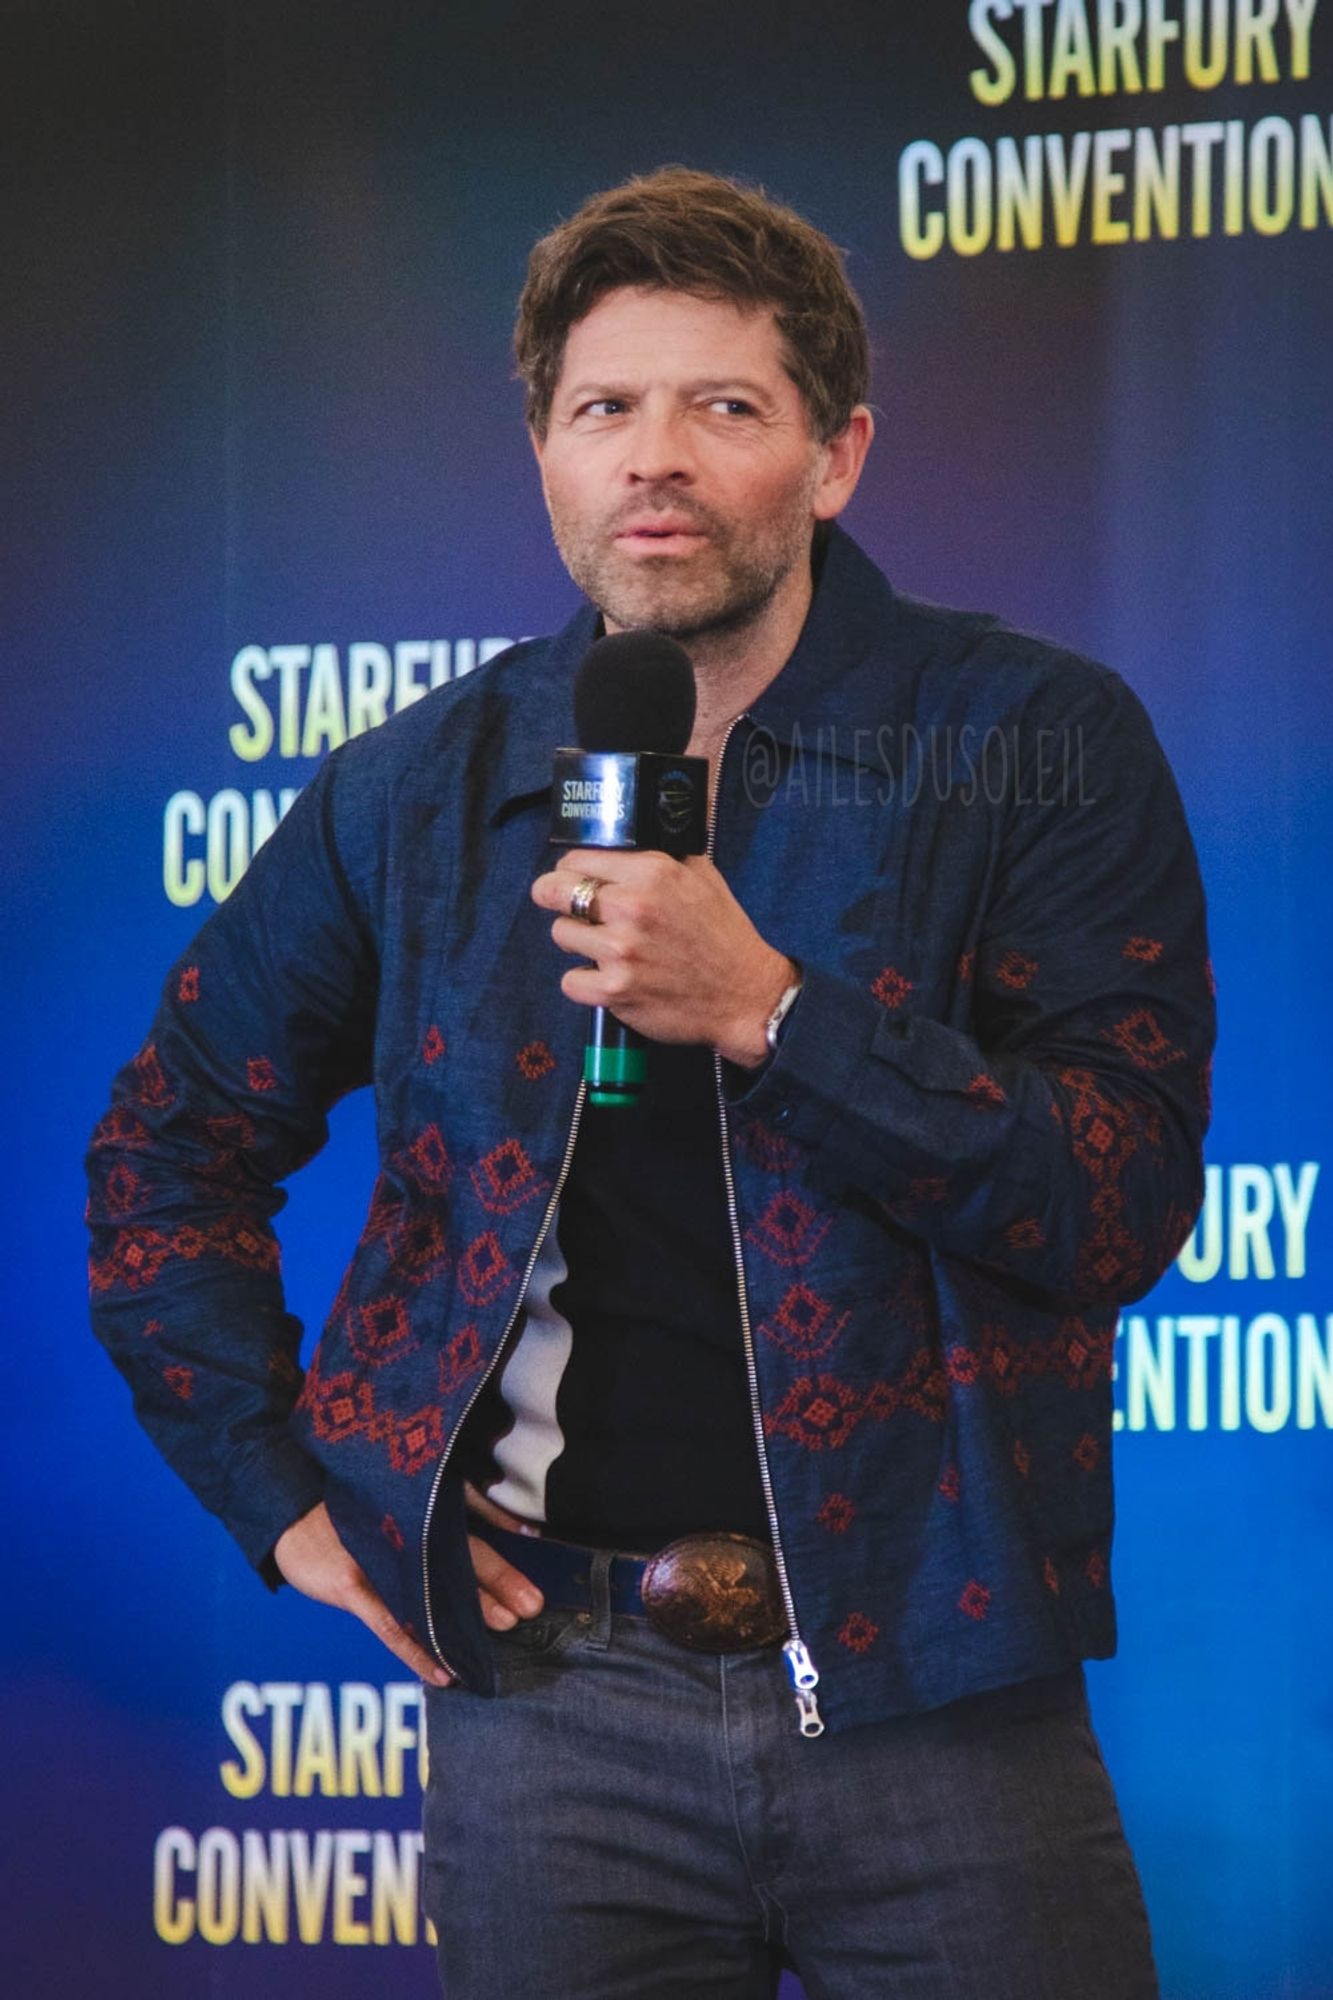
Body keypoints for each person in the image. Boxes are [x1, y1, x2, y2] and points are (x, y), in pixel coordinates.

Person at [87, 167, 1214, 1997]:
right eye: (604, 409)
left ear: (836, 457)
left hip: (939, 1688)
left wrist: (774, 1011)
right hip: (551, 1716)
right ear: (542, 454)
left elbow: (1119, 1193)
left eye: (725, 407)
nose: (654, 459)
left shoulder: (1030, 743)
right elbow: (164, 1151)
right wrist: (284, 1498)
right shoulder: (411, 792)